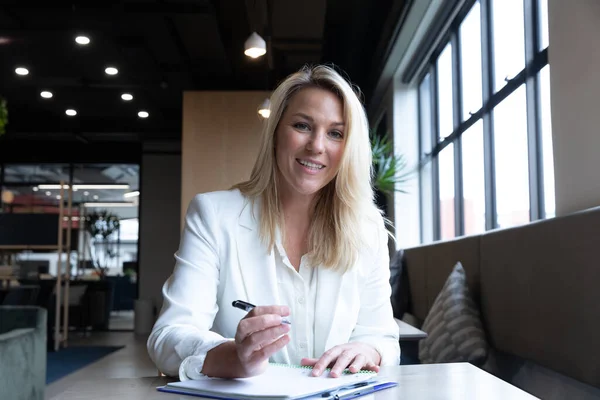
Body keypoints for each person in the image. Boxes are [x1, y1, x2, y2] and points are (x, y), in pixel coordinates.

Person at [147, 64, 400, 381]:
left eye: (336, 133)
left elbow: (383, 337)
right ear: (276, 131)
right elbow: (167, 336)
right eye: (302, 126)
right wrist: (233, 356)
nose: (317, 146)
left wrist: (367, 349)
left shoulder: (368, 228)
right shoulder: (213, 215)